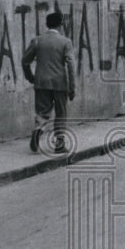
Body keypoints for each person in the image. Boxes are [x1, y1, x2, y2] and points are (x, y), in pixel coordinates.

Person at [21, 11, 76, 153]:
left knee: (42, 112)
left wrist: (31, 77)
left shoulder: (37, 40)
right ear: (61, 24)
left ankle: (38, 129)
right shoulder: (65, 42)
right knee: (61, 113)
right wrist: (72, 87)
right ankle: (59, 143)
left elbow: (25, 61)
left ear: (46, 24)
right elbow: (70, 65)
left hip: (41, 82)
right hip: (59, 83)